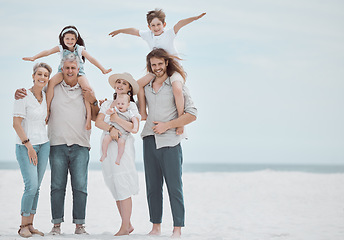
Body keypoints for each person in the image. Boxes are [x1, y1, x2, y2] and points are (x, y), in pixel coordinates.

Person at [15, 53, 100, 235]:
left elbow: (94, 116)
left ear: (79, 70)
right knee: (56, 187)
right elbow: (34, 94)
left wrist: (93, 99)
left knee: (80, 187)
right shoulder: (50, 90)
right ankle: (56, 226)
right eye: (67, 68)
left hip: (81, 144)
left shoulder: (86, 90)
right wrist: (19, 92)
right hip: (56, 144)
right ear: (62, 69)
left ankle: (79, 225)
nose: (70, 71)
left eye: (73, 68)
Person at [109, 9, 205, 130]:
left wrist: (195, 18)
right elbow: (134, 31)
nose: (156, 27)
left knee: (176, 88)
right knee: (138, 84)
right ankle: (143, 112)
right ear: (149, 26)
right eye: (153, 25)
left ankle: (180, 122)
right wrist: (120, 31)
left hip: (173, 68)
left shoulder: (169, 33)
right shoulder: (148, 35)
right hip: (156, 68)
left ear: (164, 24)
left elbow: (180, 23)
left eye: (158, 24)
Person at [141, 48, 197, 238]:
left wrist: (169, 125)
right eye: (153, 65)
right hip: (149, 140)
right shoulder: (147, 85)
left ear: (166, 63)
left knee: (174, 187)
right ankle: (155, 227)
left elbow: (192, 113)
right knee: (152, 187)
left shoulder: (176, 83)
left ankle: (177, 229)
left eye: (159, 64)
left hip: (170, 142)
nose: (157, 68)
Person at [23, 25, 112, 130]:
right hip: (62, 71)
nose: (70, 41)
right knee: (51, 82)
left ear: (76, 39)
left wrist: (103, 69)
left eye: (72, 39)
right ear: (63, 39)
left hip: (80, 73)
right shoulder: (60, 48)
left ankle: (88, 118)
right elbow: (47, 52)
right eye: (67, 39)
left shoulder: (79, 49)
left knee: (87, 89)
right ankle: (47, 109)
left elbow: (91, 58)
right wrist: (34, 57)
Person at [95, 72, 140, 236]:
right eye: (118, 82)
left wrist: (115, 119)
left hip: (123, 146)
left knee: (123, 184)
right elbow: (99, 122)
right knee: (114, 184)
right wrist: (111, 129)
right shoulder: (107, 103)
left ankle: (124, 226)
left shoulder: (132, 106)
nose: (120, 85)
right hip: (108, 145)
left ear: (129, 89)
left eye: (124, 83)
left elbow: (133, 128)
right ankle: (127, 224)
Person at [13, 62, 52, 238]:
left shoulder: (45, 96)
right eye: (40, 74)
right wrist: (29, 146)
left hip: (44, 144)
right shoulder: (23, 96)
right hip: (25, 146)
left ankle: (30, 224)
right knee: (31, 186)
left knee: (37, 188)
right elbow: (16, 124)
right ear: (33, 76)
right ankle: (22, 226)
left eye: (45, 75)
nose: (42, 77)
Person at [100, 93, 139, 164]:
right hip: (113, 129)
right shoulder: (115, 110)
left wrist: (135, 128)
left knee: (121, 143)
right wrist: (109, 111)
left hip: (123, 132)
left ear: (128, 105)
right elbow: (108, 112)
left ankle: (118, 157)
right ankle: (104, 153)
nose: (120, 105)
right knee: (105, 139)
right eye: (118, 103)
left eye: (122, 104)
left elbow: (135, 121)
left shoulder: (130, 112)